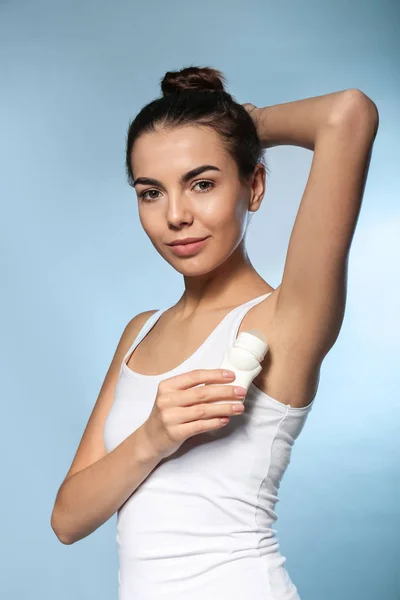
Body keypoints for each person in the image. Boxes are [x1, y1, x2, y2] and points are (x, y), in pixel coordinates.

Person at [50, 66, 379, 599]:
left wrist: (244, 124)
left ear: (254, 185)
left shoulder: (283, 318)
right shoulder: (140, 331)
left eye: (202, 183)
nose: (176, 215)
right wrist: (154, 438)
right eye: (150, 192)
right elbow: (67, 519)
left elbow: (348, 114)